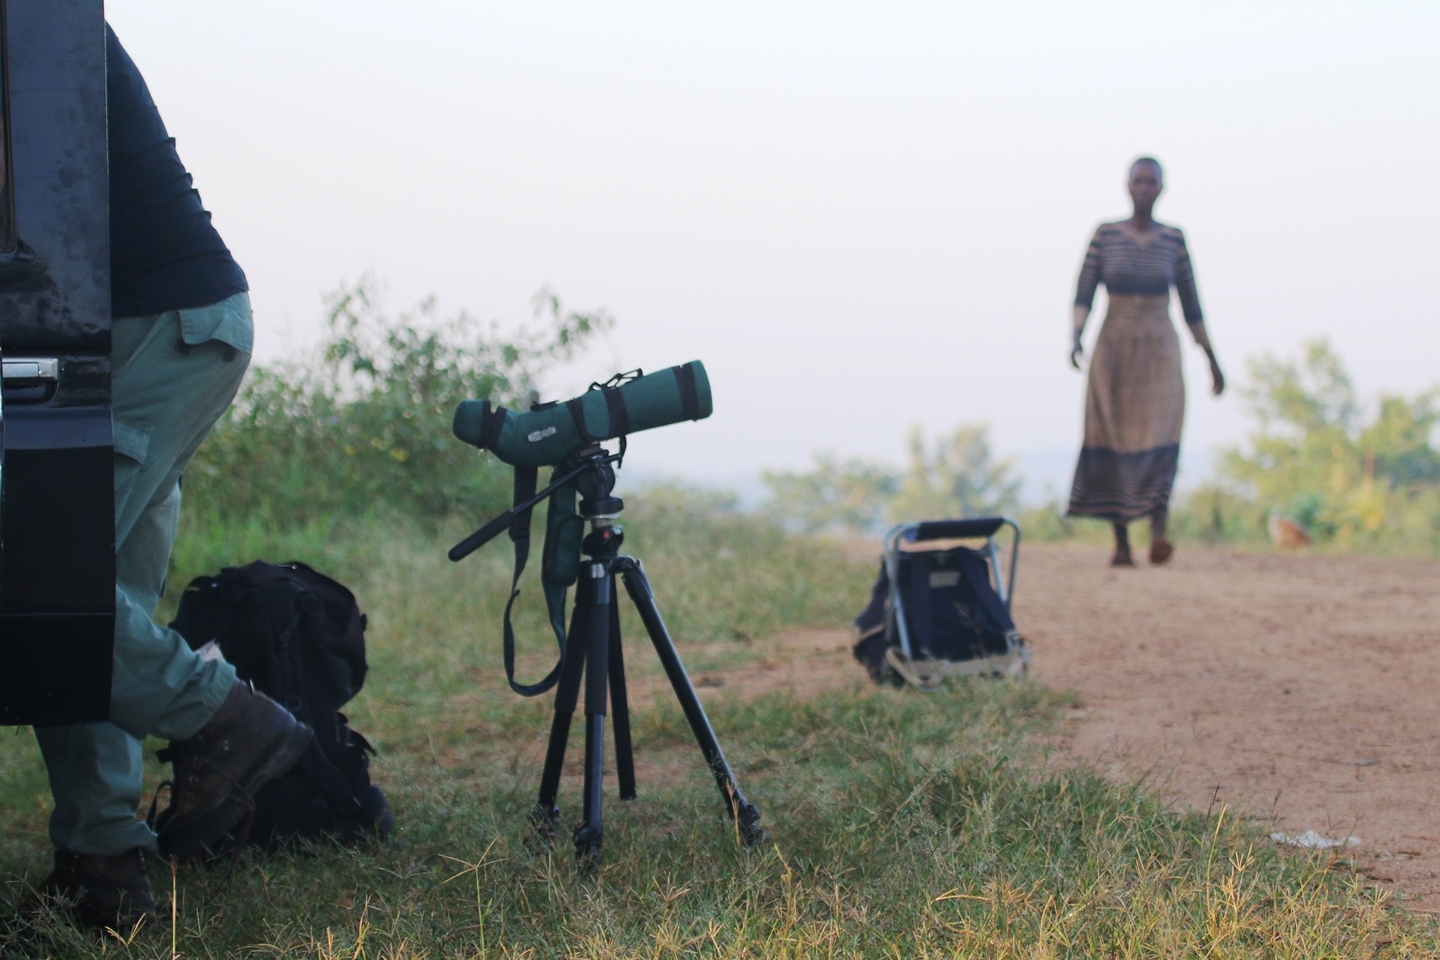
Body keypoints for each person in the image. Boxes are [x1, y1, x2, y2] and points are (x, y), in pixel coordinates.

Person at [23, 26, 312, 930]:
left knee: (36, 585)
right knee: (88, 603)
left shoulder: (32, 17)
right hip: (143, 327)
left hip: (155, 329)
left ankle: (228, 720)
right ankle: (106, 873)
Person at [1067, 157, 1224, 566]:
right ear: (1126, 186)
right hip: (1114, 345)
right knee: (1113, 434)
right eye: (1137, 180)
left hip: (1159, 348)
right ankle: (1120, 543)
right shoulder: (1106, 235)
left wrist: (1211, 359)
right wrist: (1075, 334)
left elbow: (1192, 304)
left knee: (1164, 432)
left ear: (1161, 188)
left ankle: (1159, 529)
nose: (1143, 188)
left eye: (1150, 181)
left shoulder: (1173, 240)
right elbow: (1084, 289)